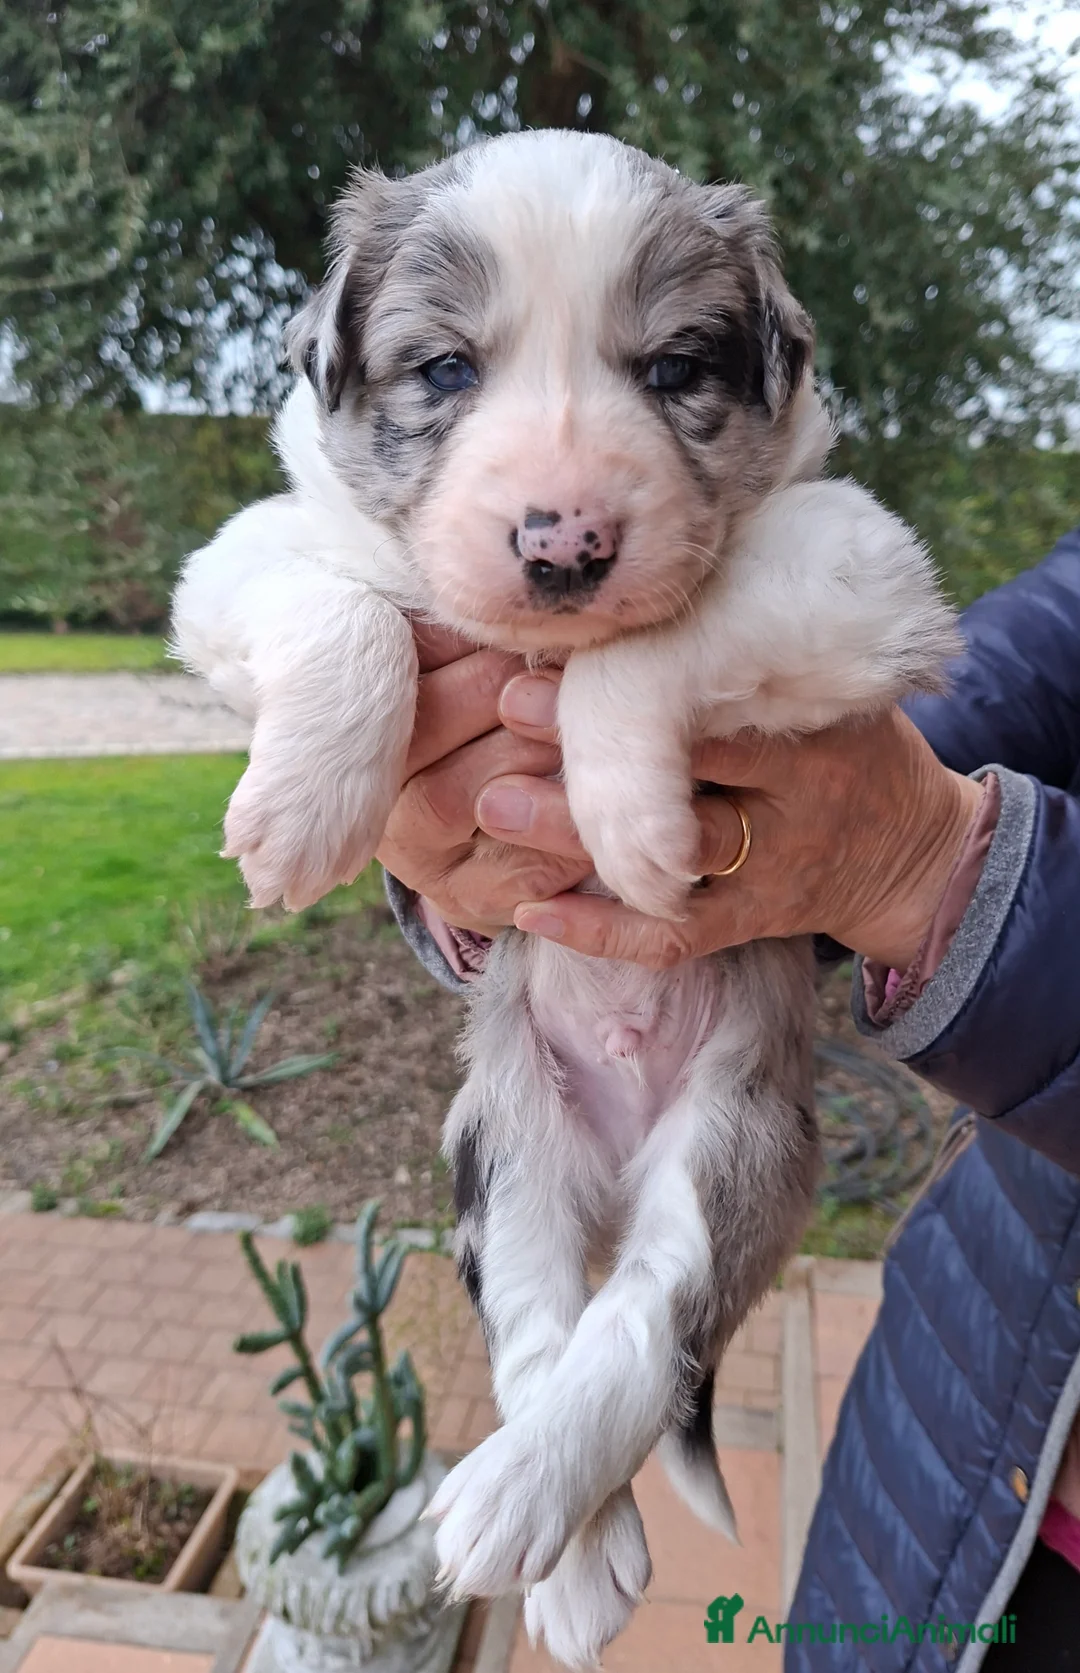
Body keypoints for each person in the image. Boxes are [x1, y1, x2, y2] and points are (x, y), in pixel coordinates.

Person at [376, 523, 1080, 1671]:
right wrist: (482, 839)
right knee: (514, 1180)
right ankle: (558, 1403)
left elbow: (885, 622)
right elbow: (1033, 654)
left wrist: (921, 857)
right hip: (969, 1382)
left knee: (693, 1217)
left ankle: (596, 1414)